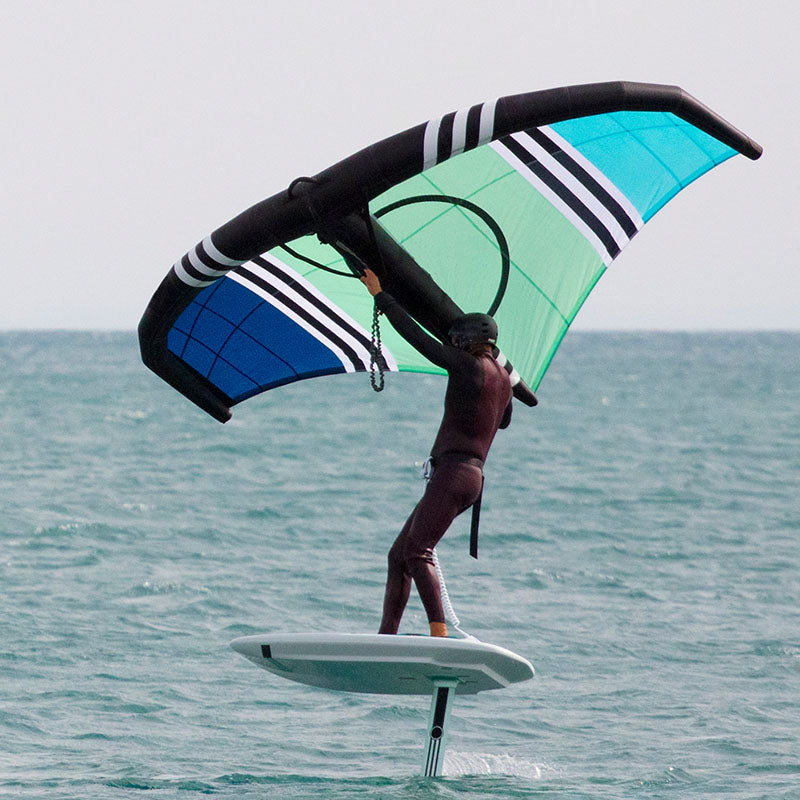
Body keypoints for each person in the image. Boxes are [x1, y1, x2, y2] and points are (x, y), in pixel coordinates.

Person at [360, 268, 512, 637]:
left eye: (457, 340)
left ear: (469, 342)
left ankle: (439, 633)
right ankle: (387, 637)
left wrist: (381, 295)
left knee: (417, 551)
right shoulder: (504, 380)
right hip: (469, 478)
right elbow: (503, 420)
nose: (452, 345)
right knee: (399, 556)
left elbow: (417, 338)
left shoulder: (466, 365)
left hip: (454, 474)